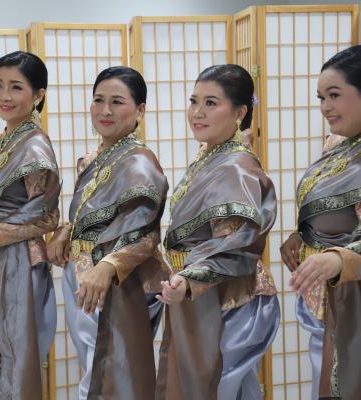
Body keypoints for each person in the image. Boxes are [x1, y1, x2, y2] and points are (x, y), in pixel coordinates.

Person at [155, 64, 280, 400]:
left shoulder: (236, 167)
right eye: (194, 101)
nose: (197, 112)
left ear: (239, 112)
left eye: (211, 103)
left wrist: (189, 279)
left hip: (228, 297)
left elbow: (235, 244)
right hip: (201, 291)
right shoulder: (211, 154)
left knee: (216, 386)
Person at [47, 66, 169, 400]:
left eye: (117, 102)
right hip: (83, 274)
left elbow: (145, 234)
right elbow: (88, 216)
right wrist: (66, 230)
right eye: (98, 100)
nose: (105, 110)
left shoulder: (140, 162)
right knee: (94, 367)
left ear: (140, 109)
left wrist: (108, 266)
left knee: (112, 376)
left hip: (119, 281)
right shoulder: (93, 158)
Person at [0, 51, 60, 399]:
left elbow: (46, 216)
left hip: (19, 262)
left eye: (16, 87)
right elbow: (1, 205)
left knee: (17, 356)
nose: (4, 96)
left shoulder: (35, 148)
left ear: (38, 95)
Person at [281, 45, 361, 400]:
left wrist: (340, 259)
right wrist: (303, 234)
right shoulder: (340, 145)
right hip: (327, 298)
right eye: (321, 97)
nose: (325, 107)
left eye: (334, 95)